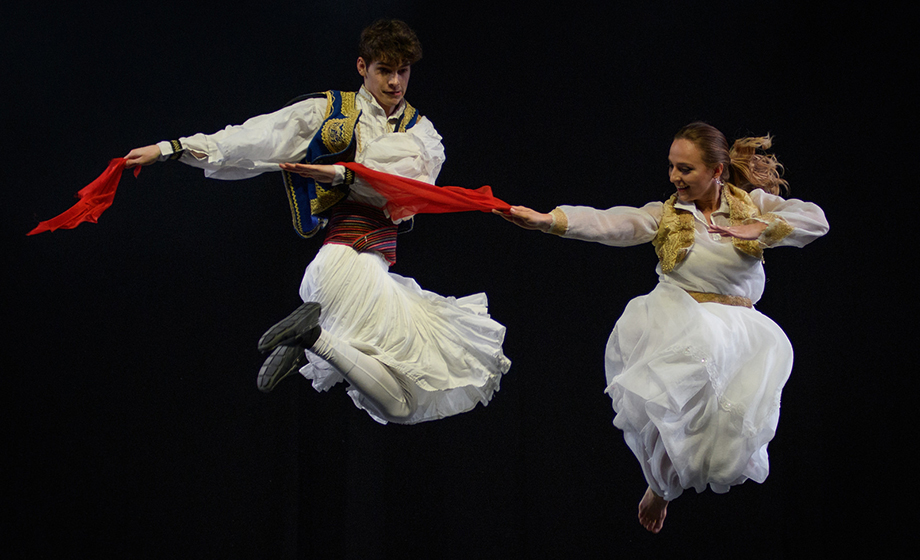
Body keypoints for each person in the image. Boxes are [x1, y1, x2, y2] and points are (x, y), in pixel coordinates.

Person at [124, 19, 511, 425]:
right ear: (362, 67)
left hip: (363, 270)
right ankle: (313, 338)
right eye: (385, 70)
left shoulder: (423, 132)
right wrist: (173, 148)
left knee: (405, 397)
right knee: (402, 407)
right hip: (348, 261)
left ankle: (312, 337)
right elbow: (255, 137)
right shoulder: (329, 111)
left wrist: (346, 174)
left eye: (403, 71)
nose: (395, 82)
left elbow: (407, 190)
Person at [498, 122, 828, 533]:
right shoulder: (668, 214)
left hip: (740, 327)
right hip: (680, 315)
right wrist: (551, 221)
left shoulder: (753, 205)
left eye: (686, 169)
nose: (675, 177)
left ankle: (668, 482)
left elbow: (816, 220)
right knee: (668, 404)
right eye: (672, 167)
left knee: (724, 439)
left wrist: (761, 227)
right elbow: (614, 223)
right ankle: (659, 482)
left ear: (717, 171)